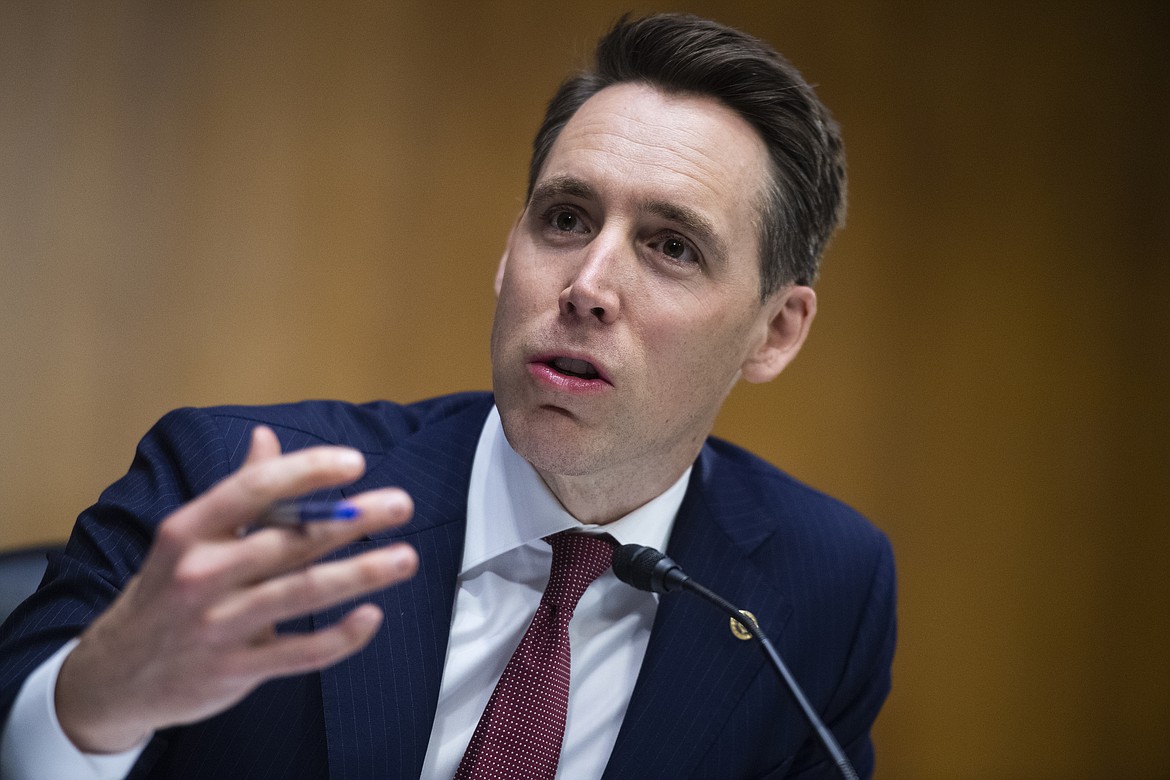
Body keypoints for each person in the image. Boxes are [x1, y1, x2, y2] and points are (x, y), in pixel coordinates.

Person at [0, 13, 895, 779]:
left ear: (775, 332)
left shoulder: (824, 586)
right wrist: (94, 703)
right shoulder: (235, 484)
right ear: (511, 255)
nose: (587, 283)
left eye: (671, 246)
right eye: (567, 219)